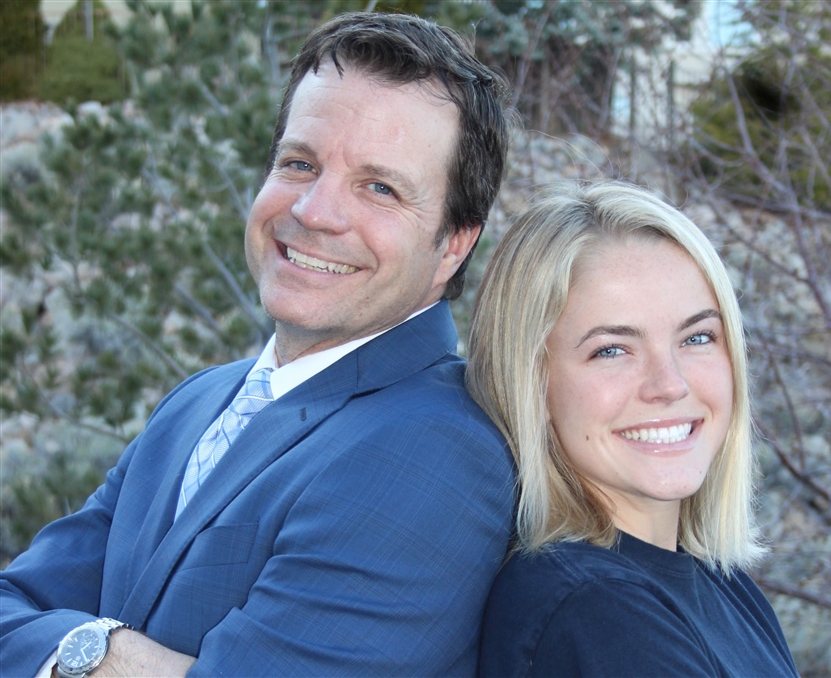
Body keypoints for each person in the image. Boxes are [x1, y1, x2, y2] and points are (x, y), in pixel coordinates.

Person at [0, 12, 516, 678]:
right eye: (300, 164)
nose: (313, 212)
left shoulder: (440, 448)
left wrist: (82, 648)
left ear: (454, 243)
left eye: (379, 187)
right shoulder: (198, 402)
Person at [468, 182, 799, 677]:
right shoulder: (598, 615)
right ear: (530, 382)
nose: (670, 384)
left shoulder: (717, 583)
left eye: (698, 337)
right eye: (611, 349)